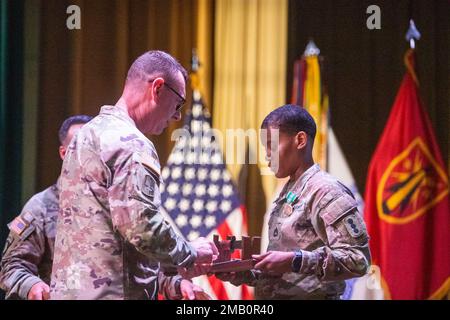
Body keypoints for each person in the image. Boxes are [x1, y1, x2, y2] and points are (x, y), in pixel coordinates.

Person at [50, 50, 218, 300]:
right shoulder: (131, 144)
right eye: (178, 103)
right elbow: (141, 227)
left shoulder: (87, 134)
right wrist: (189, 251)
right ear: (158, 88)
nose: (177, 116)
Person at [217, 105, 371, 299]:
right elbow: (287, 275)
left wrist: (296, 260)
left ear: (300, 140)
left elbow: (358, 260)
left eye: (272, 146)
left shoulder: (327, 192)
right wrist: (243, 273)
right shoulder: (287, 193)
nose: (267, 156)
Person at [0, 115, 92, 299]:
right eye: (80, 147)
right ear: (64, 153)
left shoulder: (116, 204)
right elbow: (11, 265)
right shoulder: (40, 207)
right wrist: (33, 285)